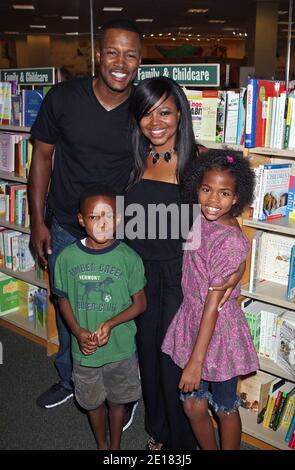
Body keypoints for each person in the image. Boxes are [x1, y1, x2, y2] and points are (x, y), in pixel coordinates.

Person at [28, 17, 142, 422]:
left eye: (130, 54)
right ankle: (70, 377)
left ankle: (121, 392)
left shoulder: (143, 107)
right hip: (64, 226)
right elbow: (41, 158)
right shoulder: (63, 98)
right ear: (98, 54)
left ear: (139, 61)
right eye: (112, 51)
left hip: (120, 232)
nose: (120, 62)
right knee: (69, 308)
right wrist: (37, 221)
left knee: (120, 308)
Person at [124, 77, 245, 450]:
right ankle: (158, 431)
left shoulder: (200, 161)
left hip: (183, 279)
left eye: (164, 112)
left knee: (174, 367)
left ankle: (183, 444)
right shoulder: (132, 156)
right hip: (142, 277)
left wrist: (237, 271)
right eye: (146, 112)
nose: (155, 121)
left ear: (180, 115)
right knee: (148, 360)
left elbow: (230, 223)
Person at [162, 150, 260, 450]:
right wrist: (241, 265)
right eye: (207, 190)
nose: (213, 200)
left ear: (236, 198)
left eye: (224, 193)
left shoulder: (229, 239)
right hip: (193, 319)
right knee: (192, 405)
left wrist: (196, 361)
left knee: (225, 405)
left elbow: (213, 305)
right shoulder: (202, 219)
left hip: (218, 333)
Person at [53, 184, 146, 450]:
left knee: (118, 402)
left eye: (108, 216)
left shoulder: (129, 257)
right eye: (94, 217)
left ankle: (115, 447)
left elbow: (140, 303)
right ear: (82, 220)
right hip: (85, 353)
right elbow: (63, 299)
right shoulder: (67, 258)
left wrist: (111, 323)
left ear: (117, 218)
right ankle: (102, 445)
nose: (102, 223)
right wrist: (77, 332)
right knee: (92, 403)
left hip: (121, 350)